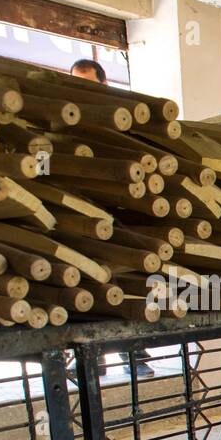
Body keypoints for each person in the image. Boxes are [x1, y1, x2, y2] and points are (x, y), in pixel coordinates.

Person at [72, 58, 156, 379]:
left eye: (87, 83)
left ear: (104, 85)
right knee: (88, 284)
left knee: (123, 282)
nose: (81, 89)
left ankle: (133, 352)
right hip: (82, 218)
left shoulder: (119, 121)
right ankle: (93, 361)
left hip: (117, 217)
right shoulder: (68, 121)